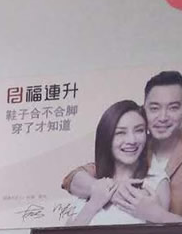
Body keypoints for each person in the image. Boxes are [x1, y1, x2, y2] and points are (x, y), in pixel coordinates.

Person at [63, 71, 182, 223]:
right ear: (144, 108)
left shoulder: (158, 181)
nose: (163, 117)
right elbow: (71, 178)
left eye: (173, 108)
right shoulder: (100, 177)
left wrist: (159, 216)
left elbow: (159, 233)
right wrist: (103, 192)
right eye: (154, 108)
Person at [69, 101, 169, 226]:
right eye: (120, 132)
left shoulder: (156, 182)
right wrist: (94, 203)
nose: (132, 140)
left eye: (139, 130)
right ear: (106, 137)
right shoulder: (90, 181)